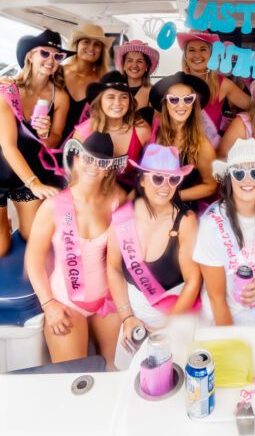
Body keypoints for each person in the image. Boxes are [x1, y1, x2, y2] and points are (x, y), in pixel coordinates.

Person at [25, 132, 126, 365]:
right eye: (88, 158)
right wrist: (49, 304)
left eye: (101, 162)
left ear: (109, 169)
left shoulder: (116, 198)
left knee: (115, 369)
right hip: (66, 302)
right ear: (77, 159)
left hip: (106, 300)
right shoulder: (52, 206)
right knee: (71, 376)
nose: (93, 166)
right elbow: (33, 258)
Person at [107, 144, 201, 346]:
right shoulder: (123, 217)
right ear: (141, 179)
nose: (166, 186)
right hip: (134, 322)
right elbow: (113, 268)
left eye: (173, 179)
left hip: (174, 320)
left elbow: (193, 280)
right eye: (158, 178)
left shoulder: (186, 221)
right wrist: (127, 318)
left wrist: (166, 327)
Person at [193, 138, 255, 326]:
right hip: (221, 319)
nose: (247, 179)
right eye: (238, 173)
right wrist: (231, 341)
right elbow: (216, 298)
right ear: (229, 178)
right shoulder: (211, 223)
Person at [0, 30, 73, 255]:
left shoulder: (59, 97)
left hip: (31, 168)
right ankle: (4, 223)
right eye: (45, 53)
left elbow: (54, 142)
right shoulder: (6, 90)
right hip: (2, 168)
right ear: (29, 55)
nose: (51, 60)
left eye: (57, 56)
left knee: (34, 237)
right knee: (1, 248)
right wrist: (34, 184)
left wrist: (44, 135)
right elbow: (8, 145)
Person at [148, 72, 218, 208]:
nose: (181, 105)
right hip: (151, 205)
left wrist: (171, 197)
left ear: (193, 104)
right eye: (174, 99)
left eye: (187, 99)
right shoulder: (153, 132)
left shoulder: (202, 145)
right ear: (165, 103)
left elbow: (211, 186)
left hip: (180, 208)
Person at [72, 71, 151, 192]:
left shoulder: (142, 130)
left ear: (130, 101)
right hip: (93, 193)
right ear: (100, 101)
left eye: (123, 97)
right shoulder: (84, 131)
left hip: (131, 193)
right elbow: (75, 174)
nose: (117, 103)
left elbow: (150, 172)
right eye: (110, 97)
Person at [179, 31, 251, 148]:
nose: (197, 55)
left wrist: (239, 124)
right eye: (191, 50)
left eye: (203, 49)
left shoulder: (222, 84)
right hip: (180, 153)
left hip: (211, 155)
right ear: (185, 56)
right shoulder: (174, 83)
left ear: (211, 54)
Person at [62, 23, 114, 140]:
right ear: (77, 44)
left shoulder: (103, 83)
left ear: (101, 51)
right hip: (47, 145)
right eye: (86, 41)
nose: (91, 47)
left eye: (97, 44)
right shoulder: (58, 72)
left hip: (82, 146)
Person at [113, 39, 160, 112]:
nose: (134, 65)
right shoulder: (114, 90)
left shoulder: (154, 93)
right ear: (123, 65)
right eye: (130, 60)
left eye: (139, 61)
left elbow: (159, 121)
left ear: (147, 66)